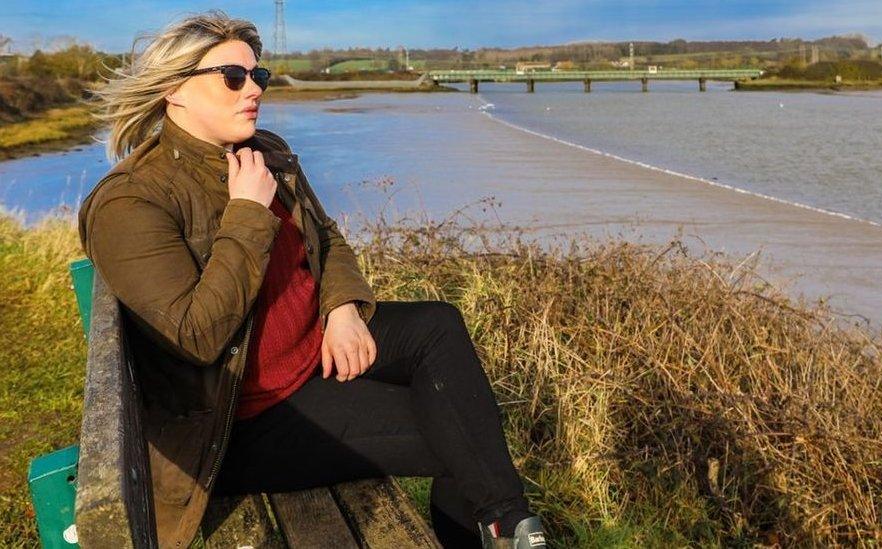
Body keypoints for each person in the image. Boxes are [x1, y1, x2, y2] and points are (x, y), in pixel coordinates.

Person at [78, 10, 548, 549]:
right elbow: (195, 337)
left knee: (439, 325)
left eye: (259, 77)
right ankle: (505, 526)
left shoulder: (263, 152)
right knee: (459, 442)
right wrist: (248, 216)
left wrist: (341, 307)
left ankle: (509, 526)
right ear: (173, 90)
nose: (252, 89)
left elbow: (326, 239)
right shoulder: (131, 201)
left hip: (309, 349)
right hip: (243, 418)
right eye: (233, 77)